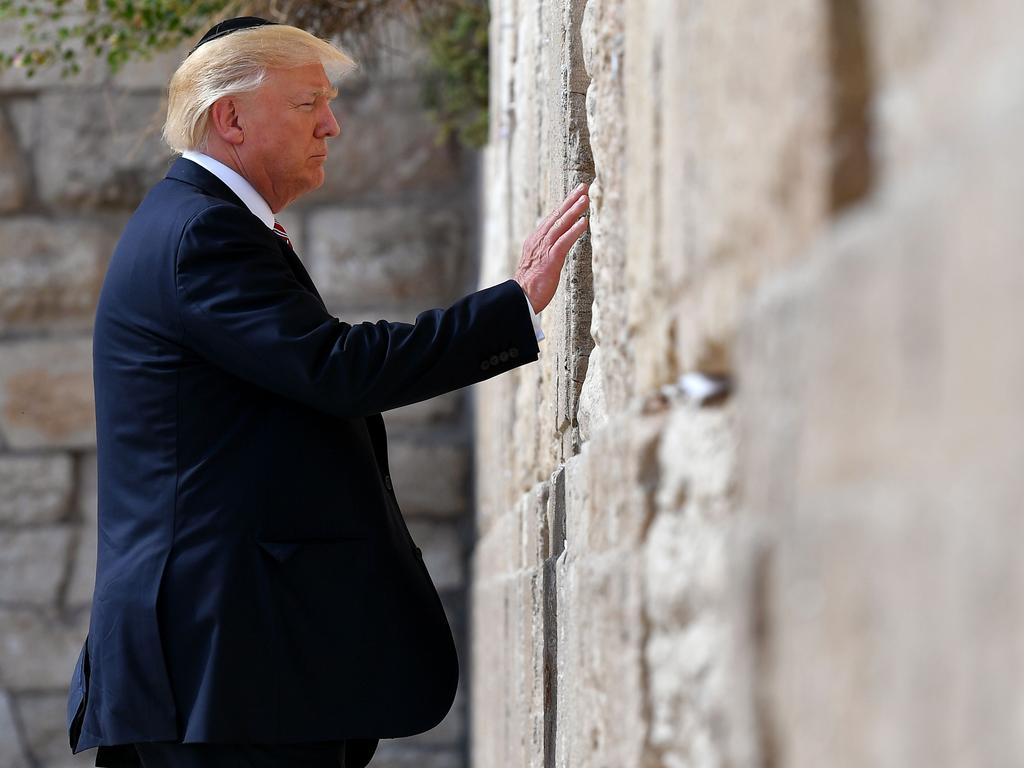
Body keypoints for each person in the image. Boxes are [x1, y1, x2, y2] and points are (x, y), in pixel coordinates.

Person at [64, 16, 590, 768]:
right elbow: (336, 367)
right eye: (310, 104)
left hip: (238, 670)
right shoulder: (200, 236)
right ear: (231, 118)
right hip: (220, 671)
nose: (333, 125)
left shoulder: (202, 224)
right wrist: (510, 308)